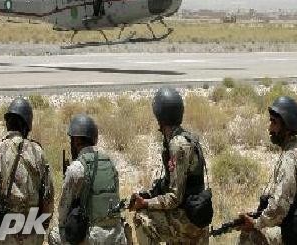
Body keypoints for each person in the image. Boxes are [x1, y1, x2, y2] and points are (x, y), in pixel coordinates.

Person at [130, 87, 210, 244]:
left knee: (141, 218)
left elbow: (174, 198)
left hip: (188, 218)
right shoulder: (185, 138)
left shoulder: (177, 144)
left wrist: (145, 203)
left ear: (161, 118)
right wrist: (149, 194)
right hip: (193, 213)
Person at [0, 97, 54, 244]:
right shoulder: (38, 153)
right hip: (32, 230)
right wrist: (43, 224)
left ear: (8, 123)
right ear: (27, 125)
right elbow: (48, 196)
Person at [237, 96, 297, 245]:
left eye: (274, 122)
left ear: (286, 127)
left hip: (292, 231)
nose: (269, 128)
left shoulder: (289, 159)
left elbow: (279, 207)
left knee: (248, 237)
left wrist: (256, 222)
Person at [49, 114, 127, 244]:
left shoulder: (76, 168)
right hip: (117, 235)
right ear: (94, 139)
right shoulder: (110, 163)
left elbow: (62, 212)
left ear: (76, 141)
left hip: (93, 238)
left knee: (54, 234)